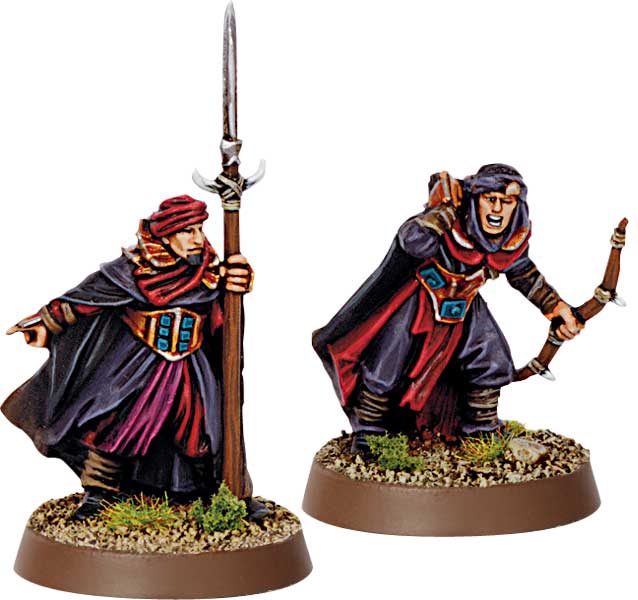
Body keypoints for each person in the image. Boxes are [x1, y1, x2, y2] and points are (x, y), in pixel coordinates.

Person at [3, 195, 269, 520]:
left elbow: (220, 320)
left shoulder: (210, 271)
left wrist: (233, 289)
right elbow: (88, 298)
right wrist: (46, 321)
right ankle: (98, 495)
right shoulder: (135, 269)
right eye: (188, 231)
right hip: (137, 365)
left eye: (200, 229)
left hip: (191, 365)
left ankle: (223, 492)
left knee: (206, 428)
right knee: (119, 425)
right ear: (167, 235)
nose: (198, 238)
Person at [313, 164, 584, 454]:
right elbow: (412, 243)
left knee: (490, 357)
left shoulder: (511, 236)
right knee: (386, 363)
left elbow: (522, 271)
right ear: (476, 198)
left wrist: (555, 306)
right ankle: (369, 432)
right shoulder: (452, 220)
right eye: (490, 199)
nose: (497, 209)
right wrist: (438, 216)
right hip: (418, 302)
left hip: (465, 306)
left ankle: (481, 428)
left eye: (507, 202)